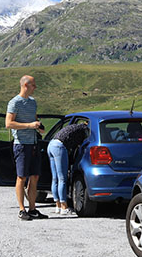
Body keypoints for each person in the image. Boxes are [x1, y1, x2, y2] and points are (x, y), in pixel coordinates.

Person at [6, 75, 46, 221]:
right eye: (33, 85)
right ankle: (22, 210)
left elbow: (34, 119)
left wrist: (38, 126)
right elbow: (8, 123)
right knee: (21, 177)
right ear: (25, 85)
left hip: (34, 143)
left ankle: (33, 208)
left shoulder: (33, 102)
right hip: (21, 144)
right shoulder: (14, 102)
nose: (35, 87)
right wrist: (29, 126)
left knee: (34, 176)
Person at [48, 120, 89, 216]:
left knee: (55, 178)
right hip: (59, 147)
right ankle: (64, 207)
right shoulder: (84, 130)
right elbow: (81, 145)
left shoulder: (75, 127)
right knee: (62, 178)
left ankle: (58, 205)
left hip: (51, 144)